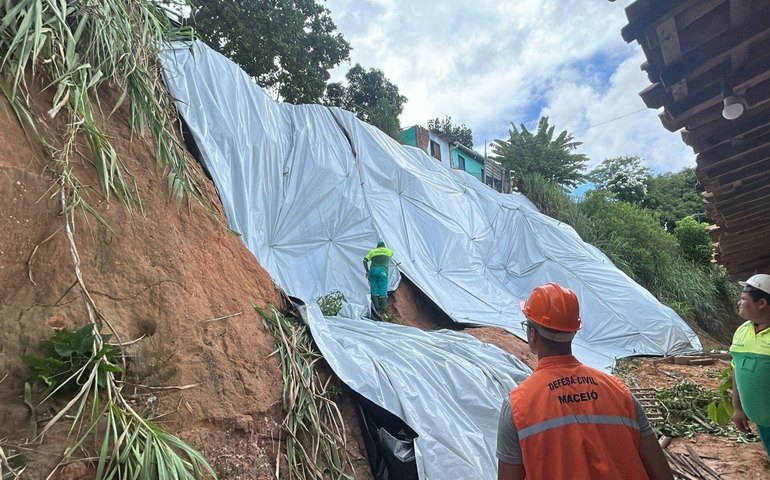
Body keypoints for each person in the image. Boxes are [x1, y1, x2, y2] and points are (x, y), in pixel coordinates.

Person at [497, 282, 672, 480]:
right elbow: (663, 476)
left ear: (532, 334)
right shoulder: (620, 393)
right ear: (573, 331)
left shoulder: (518, 407)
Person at [730, 273, 770, 458]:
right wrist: (737, 409)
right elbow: (736, 369)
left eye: (743, 299)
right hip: (762, 422)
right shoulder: (742, 331)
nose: (739, 302)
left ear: (761, 303)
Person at [363, 241, 393, 315]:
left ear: (377, 246)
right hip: (382, 271)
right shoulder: (388, 251)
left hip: (373, 271)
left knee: (374, 290)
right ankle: (383, 310)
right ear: (384, 246)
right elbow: (391, 254)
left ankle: (376, 309)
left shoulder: (372, 252)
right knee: (383, 290)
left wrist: (367, 271)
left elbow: (364, 260)